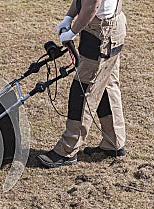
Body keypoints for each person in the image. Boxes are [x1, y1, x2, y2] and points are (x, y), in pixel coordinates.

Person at [37, 0, 127, 168]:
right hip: (108, 28)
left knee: (83, 90)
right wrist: (69, 17)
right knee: (106, 85)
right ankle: (114, 142)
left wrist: (72, 31)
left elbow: (93, 5)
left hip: (101, 33)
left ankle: (67, 150)